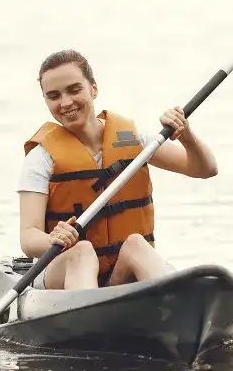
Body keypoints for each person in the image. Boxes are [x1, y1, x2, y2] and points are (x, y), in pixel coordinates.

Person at [17, 49, 219, 291]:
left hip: (119, 272)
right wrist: (53, 239)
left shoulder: (133, 140)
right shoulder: (41, 157)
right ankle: (88, 318)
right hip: (63, 272)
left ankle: (175, 302)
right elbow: (29, 237)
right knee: (82, 251)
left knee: (135, 243)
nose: (65, 102)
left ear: (93, 88)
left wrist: (185, 135)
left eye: (74, 90)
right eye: (54, 96)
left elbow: (205, 169)